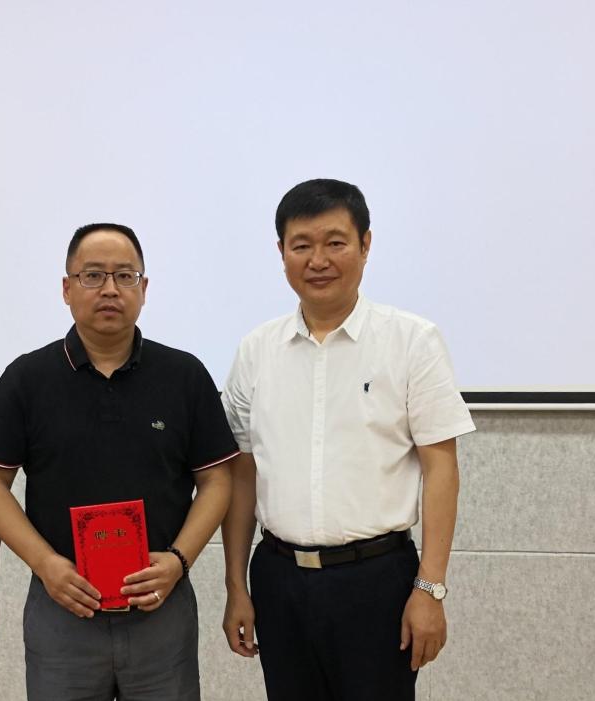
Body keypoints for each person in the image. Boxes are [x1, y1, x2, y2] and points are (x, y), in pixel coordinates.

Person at [220, 179, 475, 700]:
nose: (318, 260)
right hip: (279, 579)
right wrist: (236, 586)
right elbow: (242, 474)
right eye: (302, 245)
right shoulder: (256, 349)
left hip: (377, 582)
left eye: (335, 242)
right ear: (282, 252)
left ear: (365, 245)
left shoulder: (412, 340)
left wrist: (430, 588)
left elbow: (441, 469)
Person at [0, 223, 237, 701]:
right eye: (93, 275)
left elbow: (217, 480)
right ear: (66, 288)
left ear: (144, 288)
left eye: (125, 276)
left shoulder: (184, 375)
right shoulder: (27, 378)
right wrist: (45, 564)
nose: (110, 289)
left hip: (161, 607)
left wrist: (179, 561)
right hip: (62, 606)